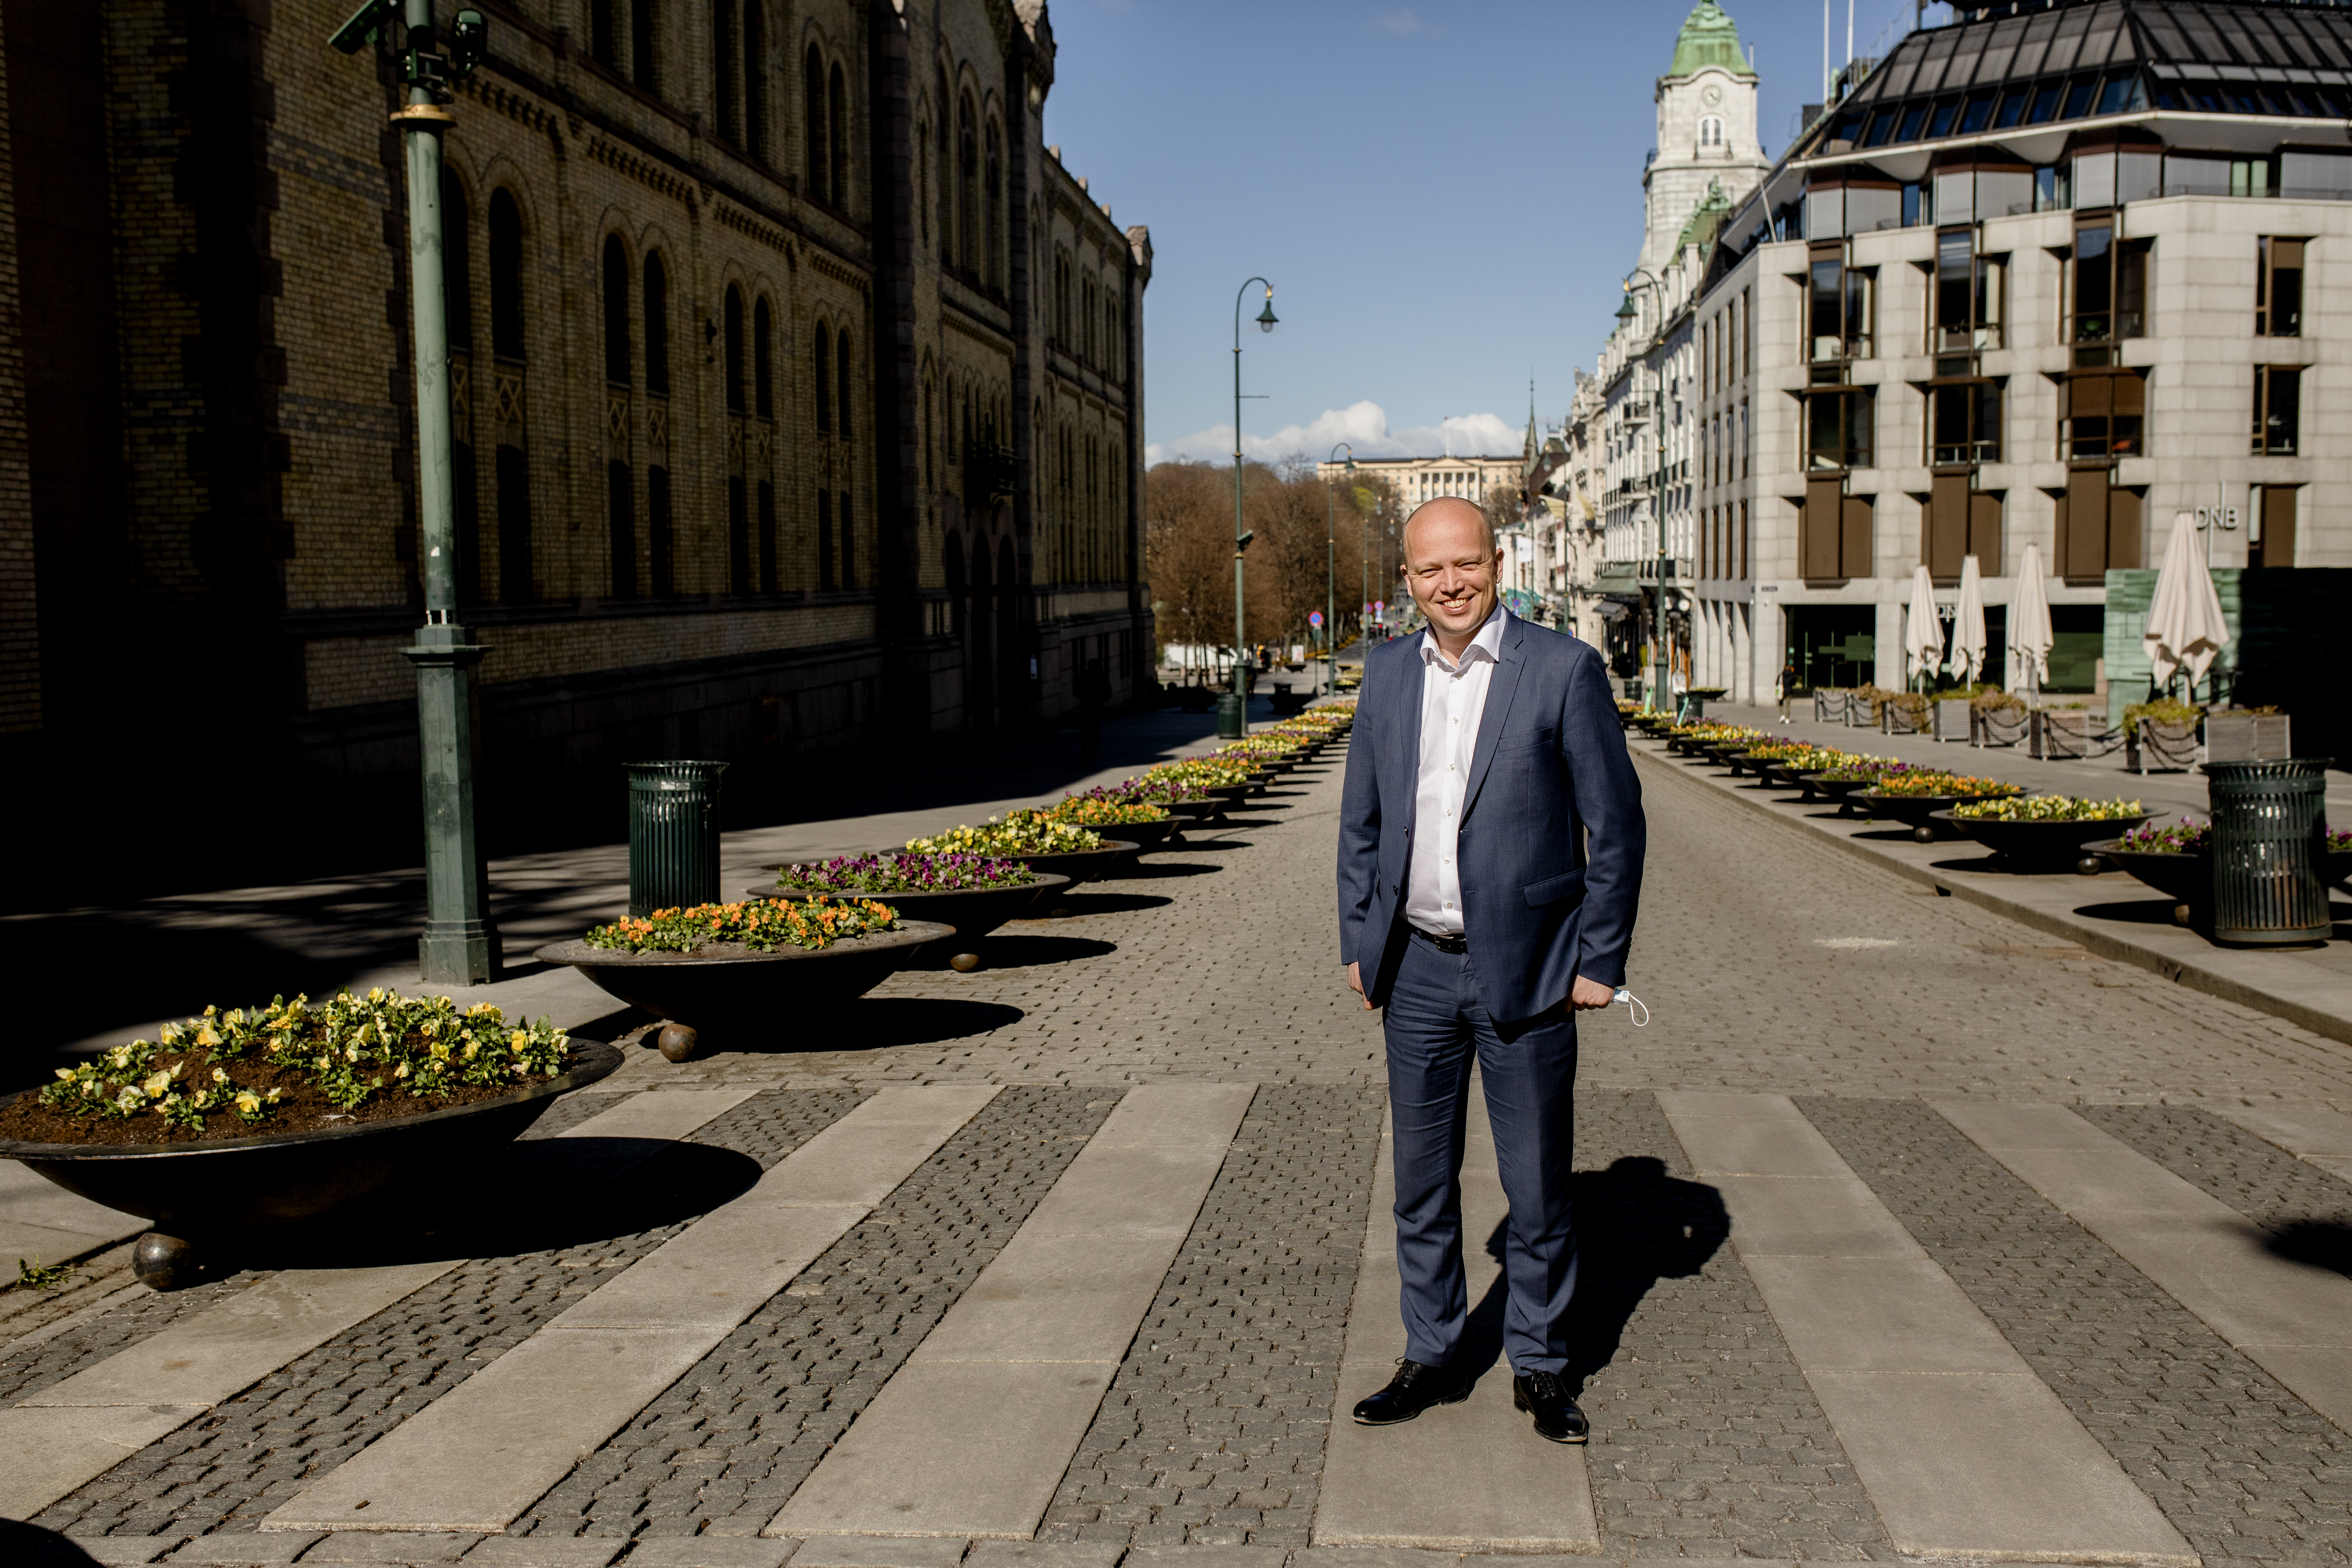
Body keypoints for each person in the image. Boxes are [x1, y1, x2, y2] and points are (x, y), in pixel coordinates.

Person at [1336, 496, 1645, 1447]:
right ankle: (1431, 1352)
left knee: (1540, 1186)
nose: (1451, 585)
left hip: (1533, 972)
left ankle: (1543, 1366)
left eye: (1465, 564)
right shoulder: (1387, 673)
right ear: (1410, 582)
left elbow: (1618, 824)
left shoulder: (1561, 669)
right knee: (1420, 1184)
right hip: (1417, 971)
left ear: (1496, 563)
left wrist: (1598, 958)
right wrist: (1360, 939)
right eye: (1431, 572)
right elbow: (1362, 822)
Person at [1076, 656, 1110, 762]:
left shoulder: (1083, 676)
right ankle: (1092, 749)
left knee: (1086, 729)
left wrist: (1084, 696)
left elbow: (1076, 690)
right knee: (1094, 729)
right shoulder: (1101, 677)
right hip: (1096, 708)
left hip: (1086, 707)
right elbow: (1108, 693)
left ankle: (1086, 748)